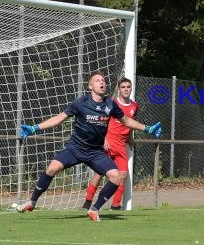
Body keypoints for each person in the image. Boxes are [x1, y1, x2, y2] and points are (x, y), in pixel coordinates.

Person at [16, 72, 162, 221]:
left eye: (103, 80)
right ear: (90, 86)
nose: (102, 82)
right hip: (75, 149)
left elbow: (126, 121)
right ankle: (32, 202)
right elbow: (60, 118)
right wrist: (35, 128)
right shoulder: (80, 103)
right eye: (97, 80)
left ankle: (94, 209)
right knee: (52, 168)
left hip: (95, 152)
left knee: (116, 177)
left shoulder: (110, 104)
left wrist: (147, 128)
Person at [82, 77, 138, 210]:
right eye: (123, 87)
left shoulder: (134, 106)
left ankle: (115, 205)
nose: (125, 89)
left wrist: (130, 137)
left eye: (128, 87)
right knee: (99, 173)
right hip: (110, 141)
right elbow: (104, 122)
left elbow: (130, 123)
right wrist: (104, 139)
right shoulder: (111, 104)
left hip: (121, 144)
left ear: (131, 89)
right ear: (118, 89)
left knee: (123, 174)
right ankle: (88, 201)